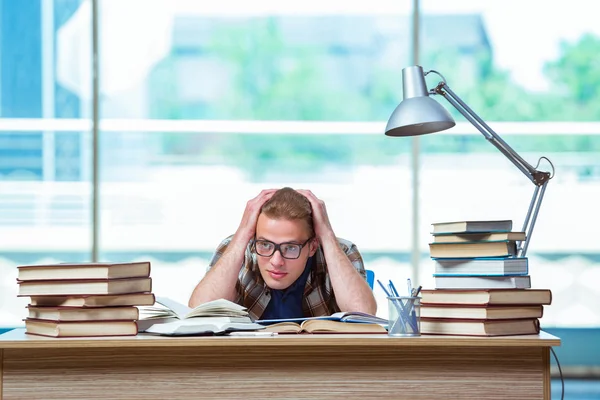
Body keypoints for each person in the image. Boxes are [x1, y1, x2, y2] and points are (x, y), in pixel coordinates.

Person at [189, 187, 377, 320]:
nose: (276, 261)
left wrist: (327, 235)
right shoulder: (238, 246)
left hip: (321, 368)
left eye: (291, 247)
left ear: (312, 246)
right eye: (265, 244)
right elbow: (198, 310)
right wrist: (244, 233)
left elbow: (364, 314)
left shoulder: (342, 251)